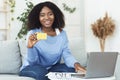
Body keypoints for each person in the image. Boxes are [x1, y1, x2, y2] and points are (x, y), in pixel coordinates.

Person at [19, 1, 86, 80]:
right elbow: (33, 62)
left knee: (71, 70)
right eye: (42, 15)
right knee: (42, 73)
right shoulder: (33, 33)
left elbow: (66, 54)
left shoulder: (62, 34)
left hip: (52, 67)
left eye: (50, 14)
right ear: (38, 18)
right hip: (31, 67)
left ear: (55, 15)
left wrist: (76, 64)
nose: (47, 18)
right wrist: (30, 47)